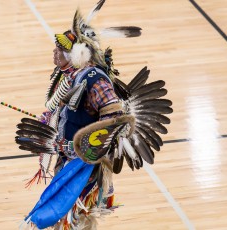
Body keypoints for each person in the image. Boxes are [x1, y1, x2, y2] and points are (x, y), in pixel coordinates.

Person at [16, 1, 172, 229]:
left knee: (74, 215)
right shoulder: (72, 75)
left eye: (61, 50)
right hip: (70, 157)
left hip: (84, 164)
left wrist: (83, 148)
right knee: (68, 215)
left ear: (77, 53)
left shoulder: (94, 79)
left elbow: (113, 118)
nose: (55, 52)